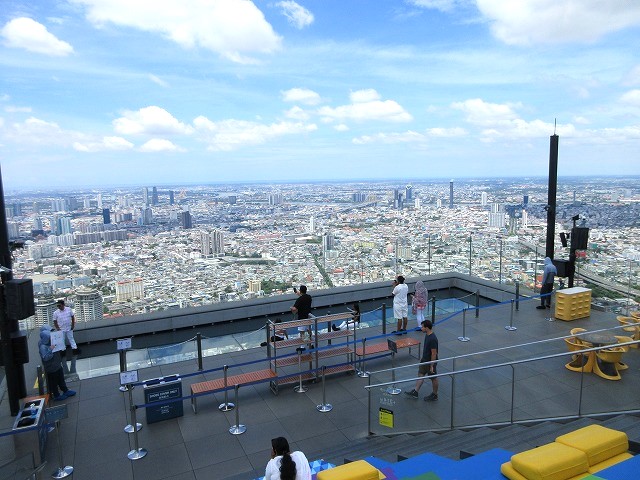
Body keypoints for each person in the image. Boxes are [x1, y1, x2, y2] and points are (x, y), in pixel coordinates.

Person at [404, 319, 439, 401]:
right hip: (424, 359)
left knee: (433, 378)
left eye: (422, 327)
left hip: (429, 361)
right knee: (421, 374)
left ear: (427, 328)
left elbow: (434, 353)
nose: (421, 328)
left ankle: (435, 394)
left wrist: (432, 365)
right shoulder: (427, 335)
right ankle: (415, 391)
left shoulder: (433, 339)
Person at [38, 326, 76, 401]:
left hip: (57, 364)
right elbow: (45, 357)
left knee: (61, 378)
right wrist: (51, 350)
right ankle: (56, 395)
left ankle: (65, 390)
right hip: (51, 368)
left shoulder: (50, 342)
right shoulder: (43, 346)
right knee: (53, 382)